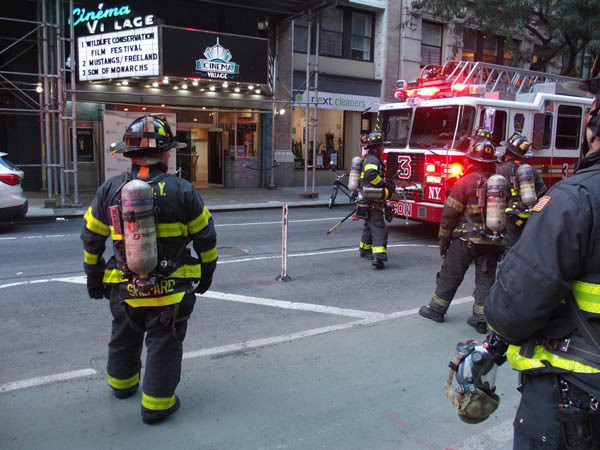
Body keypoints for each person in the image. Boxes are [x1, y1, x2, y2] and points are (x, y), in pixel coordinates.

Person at [81, 114, 218, 424]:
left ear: (130, 154)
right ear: (166, 153)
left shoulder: (111, 188)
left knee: (124, 335)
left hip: (123, 288)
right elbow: (206, 237)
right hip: (170, 293)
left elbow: (91, 238)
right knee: (163, 343)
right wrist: (208, 271)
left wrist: (93, 276)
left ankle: (122, 385)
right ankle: (157, 405)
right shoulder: (182, 190)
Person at [485, 86, 600, 448]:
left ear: (593, 127)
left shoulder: (576, 198)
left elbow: (515, 308)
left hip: (575, 392)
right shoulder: (534, 177)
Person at [419, 139, 504, 333]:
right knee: (486, 279)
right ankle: (481, 318)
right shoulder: (500, 185)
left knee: (451, 274)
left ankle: (437, 310)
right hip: (493, 240)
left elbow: (449, 215)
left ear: (471, 160)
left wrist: (443, 240)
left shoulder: (465, 182)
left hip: (466, 240)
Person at [496, 132, 547, 253]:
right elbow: (543, 192)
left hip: (509, 217)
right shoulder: (530, 170)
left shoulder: (501, 170)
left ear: (508, 151)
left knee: (509, 250)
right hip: (527, 217)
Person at [358, 131, 394, 269]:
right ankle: (378, 257)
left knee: (369, 226)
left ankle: (365, 249)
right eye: (382, 145)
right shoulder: (373, 160)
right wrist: (383, 183)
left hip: (367, 200)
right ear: (377, 147)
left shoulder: (370, 158)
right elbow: (370, 175)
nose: (383, 148)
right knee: (379, 229)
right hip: (372, 200)